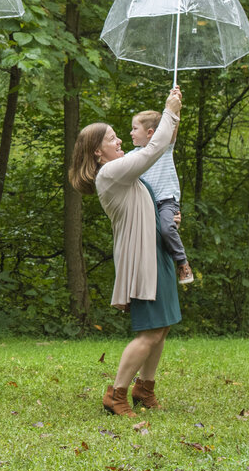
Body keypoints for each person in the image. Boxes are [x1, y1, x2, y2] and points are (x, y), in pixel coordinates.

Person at [68, 87, 184, 417]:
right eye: (113, 139)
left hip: (155, 251)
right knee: (149, 331)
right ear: (96, 152)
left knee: (161, 326)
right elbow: (154, 149)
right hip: (142, 260)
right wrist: (170, 112)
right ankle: (116, 394)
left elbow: (150, 199)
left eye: (120, 137)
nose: (120, 142)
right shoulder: (109, 173)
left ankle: (144, 390)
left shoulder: (121, 171)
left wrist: (172, 218)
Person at [129, 110, 194, 284]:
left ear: (150, 133)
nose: (131, 132)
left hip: (166, 201)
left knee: (167, 228)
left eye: (135, 129)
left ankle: (182, 263)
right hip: (147, 206)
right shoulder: (133, 155)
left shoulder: (163, 149)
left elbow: (172, 129)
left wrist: (175, 106)